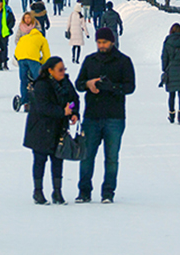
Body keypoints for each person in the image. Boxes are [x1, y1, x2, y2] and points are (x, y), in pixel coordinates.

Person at [74, 27, 135, 203]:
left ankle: (108, 192)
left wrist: (112, 87)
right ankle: (84, 191)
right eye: (99, 42)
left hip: (114, 116)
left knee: (112, 158)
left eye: (104, 42)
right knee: (86, 156)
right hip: (92, 115)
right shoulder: (90, 60)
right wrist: (88, 84)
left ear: (112, 42)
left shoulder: (123, 61)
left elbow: (130, 87)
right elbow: (78, 84)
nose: (101, 46)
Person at [23, 57, 79, 205]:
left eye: (64, 69)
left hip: (58, 128)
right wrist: (63, 111)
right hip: (40, 129)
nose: (63, 72)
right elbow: (43, 107)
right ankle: (38, 191)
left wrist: (74, 112)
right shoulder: (41, 85)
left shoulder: (65, 83)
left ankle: (57, 191)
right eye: (60, 70)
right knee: (40, 160)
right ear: (50, 70)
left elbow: (74, 99)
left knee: (58, 159)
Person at [13, 22, 51, 110]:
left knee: (23, 80)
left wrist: (19, 58)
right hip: (33, 59)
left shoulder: (24, 37)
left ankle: (24, 99)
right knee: (38, 80)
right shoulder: (42, 39)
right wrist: (42, 62)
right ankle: (40, 98)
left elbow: (17, 50)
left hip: (21, 58)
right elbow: (47, 56)